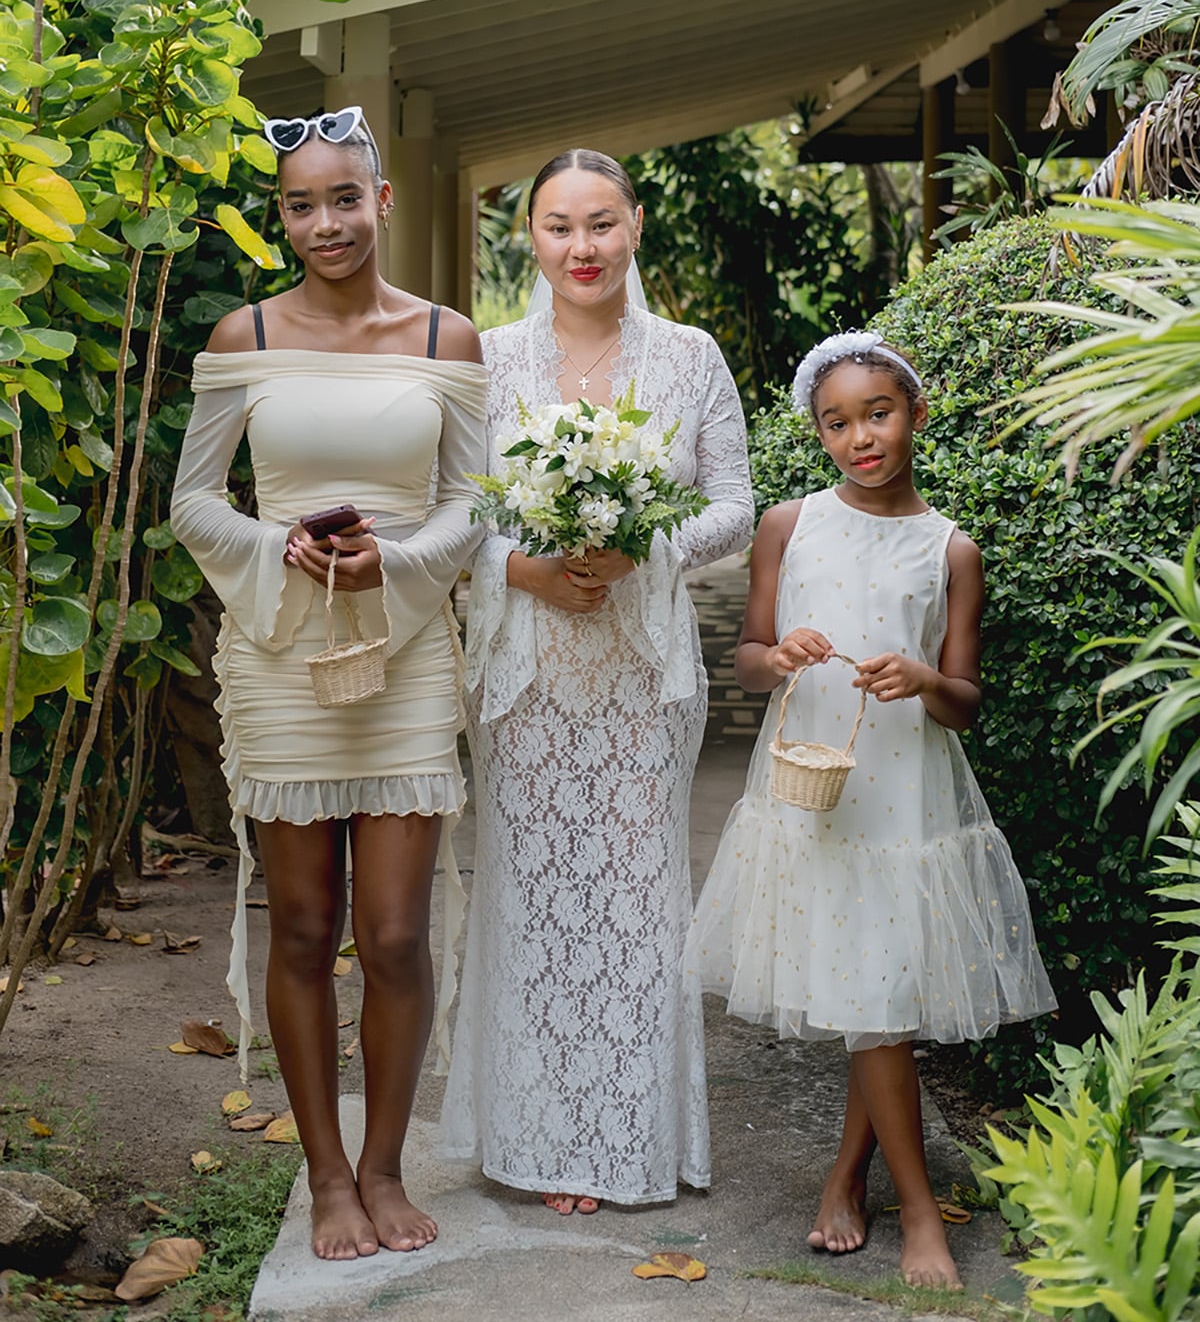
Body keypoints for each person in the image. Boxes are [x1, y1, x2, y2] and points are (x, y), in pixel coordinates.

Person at [170, 106, 487, 1262]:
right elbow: (194, 499)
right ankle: (325, 1179)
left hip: (406, 653)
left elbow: (472, 501)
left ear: (381, 201)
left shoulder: (447, 338)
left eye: (344, 198)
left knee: (395, 935)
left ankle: (385, 1166)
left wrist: (390, 561)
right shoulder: (243, 333)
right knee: (304, 925)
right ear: (283, 216)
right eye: (300, 205)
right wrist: (280, 546)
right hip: (282, 653)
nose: (325, 224)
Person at [686, 331, 1055, 1289]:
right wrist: (781, 655)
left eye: (878, 415)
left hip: (907, 799)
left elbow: (964, 703)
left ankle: (870, 1187)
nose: (860, 438)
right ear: (819, 434)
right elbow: (749, 659)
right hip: (814, 789)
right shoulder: (788, 524)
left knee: (877, 998)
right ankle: (898, 1199)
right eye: (837, 423)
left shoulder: (950, 548)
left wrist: (925, 676)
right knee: (874, 1000)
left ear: (916, 415)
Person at [439, 148, 753, 1212]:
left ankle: (622, 1136)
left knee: (633, 898)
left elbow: (734, 505)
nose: (583, 247)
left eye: (602, 223)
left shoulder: (691, 357)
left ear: (636, 227)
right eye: (560, 226)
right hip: (526, 679)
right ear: (529, 236)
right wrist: (522, 568)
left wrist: (642, 546)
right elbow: (453, 511)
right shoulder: (486, 359)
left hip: (641, 674)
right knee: (533, 896)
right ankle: (539, 1137)